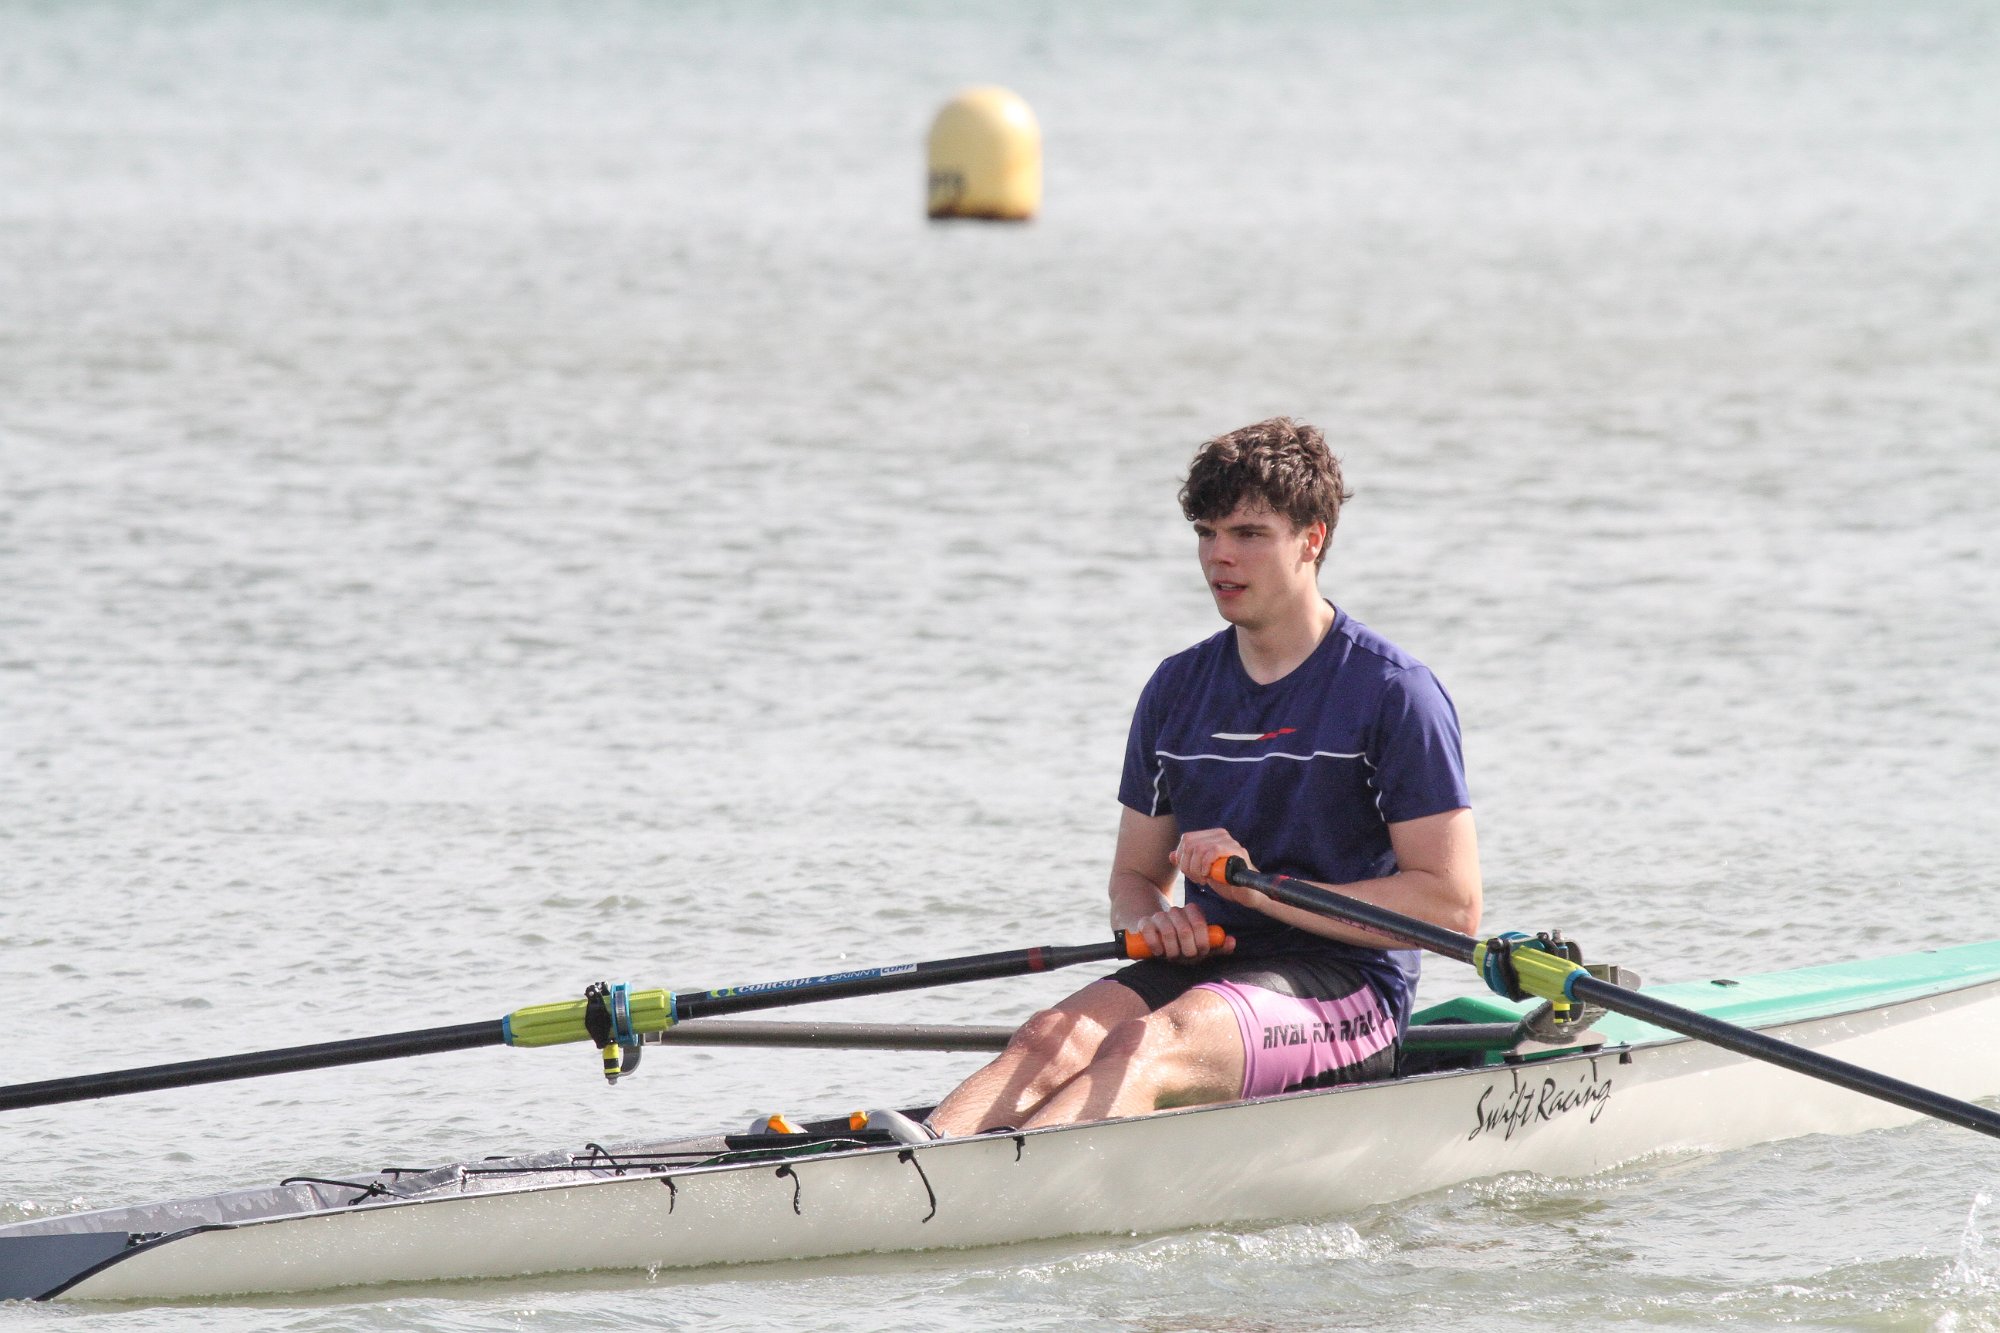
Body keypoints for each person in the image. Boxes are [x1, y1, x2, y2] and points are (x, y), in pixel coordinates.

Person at [924, 417, 1480, 1135]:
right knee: (1047, 1038)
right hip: (1214, 972)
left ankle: (998, 1197)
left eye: (1249, 533)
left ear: (1311, 539)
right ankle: (913, 1175)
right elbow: (1133, 879)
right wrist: (1154, 924)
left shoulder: (1394, 692)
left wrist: (1261, 888)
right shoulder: (1176, 688)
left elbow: (1451, 906)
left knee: (1145, 1047)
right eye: (1206, 533)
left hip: (1350, 989)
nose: (1220, 556)